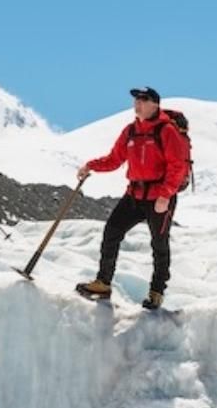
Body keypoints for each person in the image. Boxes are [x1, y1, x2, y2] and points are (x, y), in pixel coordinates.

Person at [74, 87, 188, 310]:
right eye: (136, 100)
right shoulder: (130, 131)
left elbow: (178, 166)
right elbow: (114, 159)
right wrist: (90, 165)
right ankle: (103, 283)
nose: (138, 104)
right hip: (134, 194)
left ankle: (156, 292)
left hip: (159, 197)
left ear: (155, 104)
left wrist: (165, 195)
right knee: (111, 231)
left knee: (159, 244)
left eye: (143, 100)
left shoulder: (167, 131)